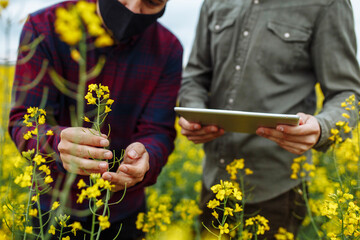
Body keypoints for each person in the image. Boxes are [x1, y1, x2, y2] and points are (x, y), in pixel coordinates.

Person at [178, 0, 360, 239]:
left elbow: (347, 93)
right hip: (214, 180)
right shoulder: (213, 2)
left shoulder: (327, 4)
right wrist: (193, 114)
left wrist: (322, 127)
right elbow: (195, 76)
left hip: (276, 188)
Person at [8, 0, 183, 239]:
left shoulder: (169, 49)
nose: (131, 9)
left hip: (122, 211)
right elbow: (23, 122)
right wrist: (56, 143)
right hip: (53, 209)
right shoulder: (44, 27)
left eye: (151, 2)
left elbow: (159, 131)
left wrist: (147, 158)